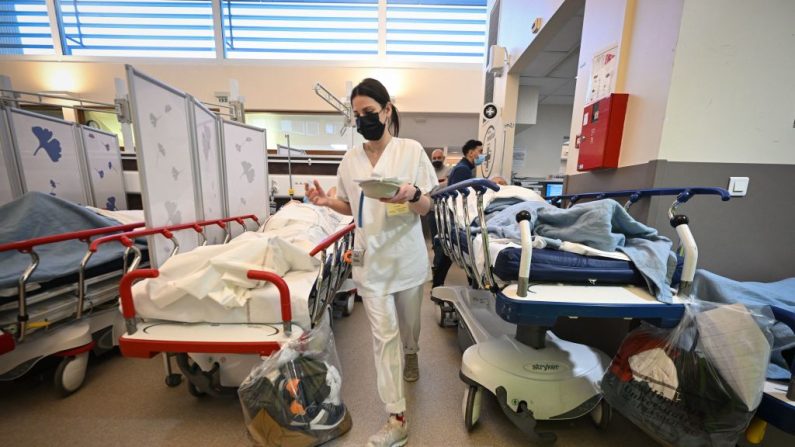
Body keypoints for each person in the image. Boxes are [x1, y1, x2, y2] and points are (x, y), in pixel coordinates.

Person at [305, 78, 437, 447]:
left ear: (387, 111)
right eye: (358, 114)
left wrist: (412, 195)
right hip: (371, 261)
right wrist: (328, 203)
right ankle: (397, 418)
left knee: (409, 327)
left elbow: (427, 206)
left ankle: (413, 352)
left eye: (370, 112)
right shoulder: (350, 160)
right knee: (383, 338)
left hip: (407, 258)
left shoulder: (411, 150)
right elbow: (351, 205)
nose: (364, 119)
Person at [431, 139, 484, 288]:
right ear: (471, 152)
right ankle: (471, 285)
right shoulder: (463, 169)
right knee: (456, 250)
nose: (482, 155)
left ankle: (438, 285)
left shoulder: (463, 167)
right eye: (480, 151)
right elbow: (463, 196)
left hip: (453, 215)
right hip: (457, 216)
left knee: (450, 250)